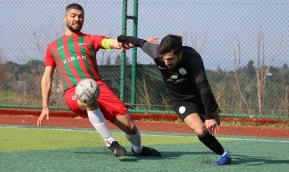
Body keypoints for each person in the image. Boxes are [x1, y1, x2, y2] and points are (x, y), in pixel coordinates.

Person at [37, 3, 161, 158]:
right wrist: (45, 106)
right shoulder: (53, 47)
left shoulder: (90, 39)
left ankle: (138, 149)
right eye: (73, 15)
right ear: (65, 18)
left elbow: (113, 42)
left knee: (130, 126)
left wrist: (140, 43)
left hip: (99, 88)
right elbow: (47, 78)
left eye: (80, 16)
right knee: (87, 95)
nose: (77, 19)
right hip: (73, 92)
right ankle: (111, 142)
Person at [117, 34, 231, 165]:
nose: (166, 63)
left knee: (215, 123)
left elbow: (203, 88)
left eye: (170, 59)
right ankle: (224, 155)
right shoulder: (156, 53)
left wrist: (210, 117)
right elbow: (140, 42)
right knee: (201, 130)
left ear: (180, 54)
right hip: (179, 99)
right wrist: (120, 38)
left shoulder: (193, 59)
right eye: (164, 59)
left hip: (199, 94)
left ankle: (206, 116)